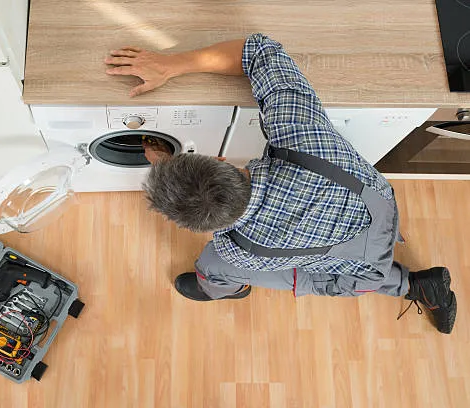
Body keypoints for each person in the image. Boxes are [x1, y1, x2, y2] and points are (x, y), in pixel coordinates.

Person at [104, 34, 457, 334]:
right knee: (270, 259)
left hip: (363, 264)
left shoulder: (237, 251)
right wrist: (172, 65)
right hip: (376, 205)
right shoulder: (301, 139)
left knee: (216, 266)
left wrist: (165, 169)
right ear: (220, 161)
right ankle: (418, 284)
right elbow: (258, 48)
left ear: (200, 226)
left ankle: (415, 286)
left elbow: (224, 239)